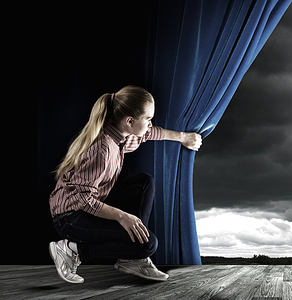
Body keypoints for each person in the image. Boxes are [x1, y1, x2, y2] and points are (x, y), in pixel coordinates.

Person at [48, 85, 202, 284]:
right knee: (147, 245)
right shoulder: (103, 150)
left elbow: (148, 133)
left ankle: (132, 257)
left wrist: (183, 137)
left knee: (143, 182)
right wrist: (122, 217)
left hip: (89, 204)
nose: (150, 123)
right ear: (129, 121)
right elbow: (82, 199)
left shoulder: (121, 137)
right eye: (147, 118)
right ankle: (72, 250)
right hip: (70, 216)